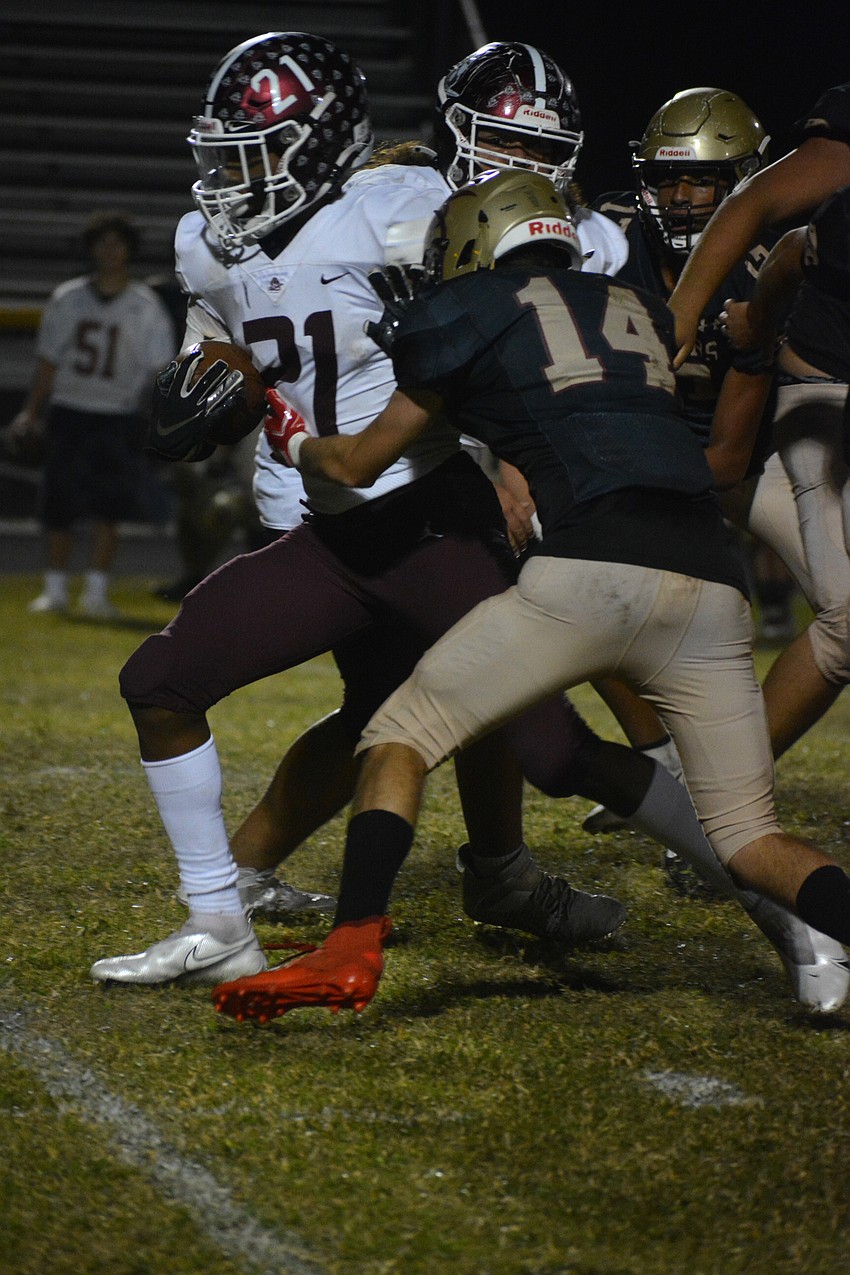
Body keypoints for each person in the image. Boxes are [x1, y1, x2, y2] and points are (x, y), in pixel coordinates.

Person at [90, 36, 846, 1012]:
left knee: (553, 752)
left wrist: (508, 455)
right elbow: (222, 333)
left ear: (320, 147)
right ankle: (221, 919)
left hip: (427, 519)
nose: (236, 180)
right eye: (230, 156)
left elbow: (530, 306)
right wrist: (204, 380)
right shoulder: (209, 236)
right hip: (326, 532)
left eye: (261, 152)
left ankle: (779, 910)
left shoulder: (404, 211)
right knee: (177, 683)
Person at [6, 211, 176, 618]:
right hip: (70, 411)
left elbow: (160, 370)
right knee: (59, 506)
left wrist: (159, 418)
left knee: (108, 507)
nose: (110, 251)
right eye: (103, 242)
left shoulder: (144, 305)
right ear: (91, 249)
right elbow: (48, 361)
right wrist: (31, 411)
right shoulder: (68, 297)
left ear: (130, 250)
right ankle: (55, 588)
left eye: (118, 243)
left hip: (117, 415)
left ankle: (96, 592)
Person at [670, 82, 850, 366]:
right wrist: (684, 309)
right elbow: (768, 207)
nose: (679, 197)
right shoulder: (619, 230)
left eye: (701, 180)